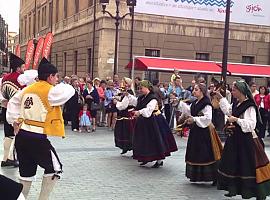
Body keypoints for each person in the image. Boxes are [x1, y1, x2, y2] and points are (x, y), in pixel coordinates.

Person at [6, 57, 75, 199]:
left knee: (26, 174)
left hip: (22, 137)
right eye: (56, 76)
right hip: (37, 137)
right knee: (55, 168)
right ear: (50, 76)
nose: (57, 80)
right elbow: (69, 91)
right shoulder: (49, 91)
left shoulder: (26, 90)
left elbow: (12, 103)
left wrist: (14, 121)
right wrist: (66, 84)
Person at [215, 80, 270, 200]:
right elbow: (229, 112)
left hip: (247, 140)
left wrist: (237, 120)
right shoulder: (237, 103)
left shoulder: (249, 105)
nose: (232, 92)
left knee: (248, 165)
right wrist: (221, 98)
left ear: (241, 91)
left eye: (234, 90)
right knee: (232, 164)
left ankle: (256, 192)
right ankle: (233, 188)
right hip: (235, 139)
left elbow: (251, 125)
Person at [178, 83, 221, 185]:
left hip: (205, 132)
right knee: (195, 152)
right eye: (194, 89)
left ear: (202, 91)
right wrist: (178, 103)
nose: (193, 91)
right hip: (196, 131)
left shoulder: (206, 103)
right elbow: (190, 110)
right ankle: (196, 176)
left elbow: (208, 118)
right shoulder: (195, 102)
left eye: (196, 90)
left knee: (206, 153)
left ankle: (214, 177)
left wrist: (195, 119)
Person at [131, 80, 176, 168]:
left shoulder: (153, 98)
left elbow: (148, 111)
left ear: (147, 88)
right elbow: (137, 104)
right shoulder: (141, 97)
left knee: (156, 140)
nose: (140, 90)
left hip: (154, 121)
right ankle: (144, 157)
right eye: (139, 88)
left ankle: (159, 160)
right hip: (144, 122)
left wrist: (139, 112)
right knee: (143, 140)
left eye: (141, 88)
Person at [1, 53, 25, 167]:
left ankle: (5, 159)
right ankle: (12, 157)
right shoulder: (20, 79)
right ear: (18, 68)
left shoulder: (4, 78)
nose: (24, 69)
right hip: (17, 110)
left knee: (8, 134)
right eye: (23, 67)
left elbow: (2, 95)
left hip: (6, 109)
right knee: (17, 134)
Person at [114, 77, 136, 154]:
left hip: (127, 113)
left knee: (127, 131)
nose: (122, 84)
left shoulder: (129, 93)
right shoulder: (126, 92)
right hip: (124, 113)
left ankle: (130, 147)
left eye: (124, 83)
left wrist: (116, 102)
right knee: (123, 130)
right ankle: (125, 147)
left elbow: (124, 105)